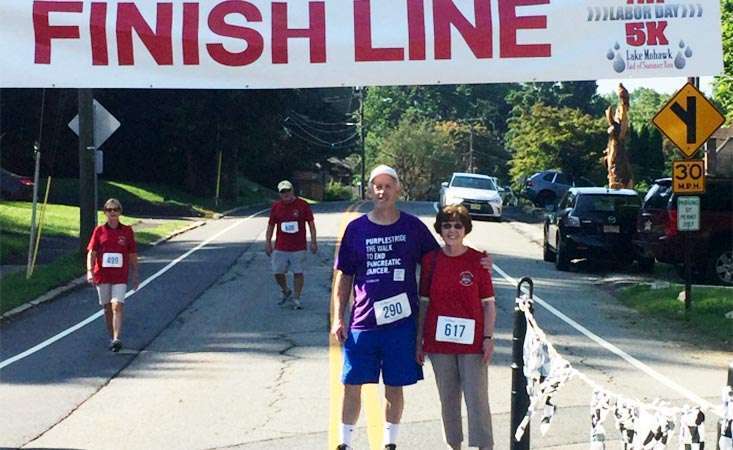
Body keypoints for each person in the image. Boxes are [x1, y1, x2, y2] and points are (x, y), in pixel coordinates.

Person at [331, 164, 439, 450]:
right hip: (363, 322)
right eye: (377, 186)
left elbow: (439, 261)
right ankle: (345, 443)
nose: (382, 191)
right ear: (370, 191)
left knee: (395, 385)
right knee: (352, 384)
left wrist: (475, 262)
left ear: (398, 189)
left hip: (401, 325)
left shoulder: (413, 227)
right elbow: (344, 277)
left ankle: (390, 443)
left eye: (388, 185)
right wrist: (337, 319)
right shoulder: (356, 229)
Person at [416, 205, 496, 450]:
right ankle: (454, 445)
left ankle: (484, 446)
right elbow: (424, 303)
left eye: (457, 226)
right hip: (440, 344)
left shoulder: (478, 260)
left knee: (477, 398)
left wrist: (488, 338)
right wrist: (420, 340)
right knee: (448, 399)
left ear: (466, 229)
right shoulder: (431, 260)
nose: (452, 231)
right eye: (447, 226)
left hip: (472, 345)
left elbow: (489, 305)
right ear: (440, 230)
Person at [86, 198, 139, 352]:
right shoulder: (99, 231)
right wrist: (90, 271)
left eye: (116, 209)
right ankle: (112, 338)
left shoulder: (127, 231)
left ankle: (117, 338)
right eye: (109, 210)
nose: (113, 212)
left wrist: (135, 274)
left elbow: (132, 254)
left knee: (117, 305)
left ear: (120, 212)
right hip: (102, 275)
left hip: (120, 275)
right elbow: (92, 252)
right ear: (105, 213)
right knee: (107, 307)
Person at [265, 180, 317, 310]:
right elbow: (271, 226)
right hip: (281, 246)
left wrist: (313, 242)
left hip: (298, 247)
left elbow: (311, 224)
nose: (286, 194)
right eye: (283, 192)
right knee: (277, 272)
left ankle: (297, 298)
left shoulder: (302, 205)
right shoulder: (276, 207)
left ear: (292, 190)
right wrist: (268, 242)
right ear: (280, 194)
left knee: (298, 272)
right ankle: (285, 290)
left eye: (288, 191)